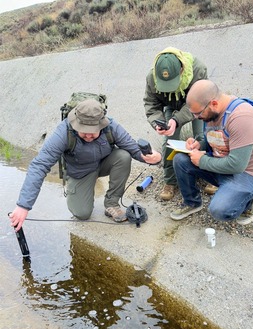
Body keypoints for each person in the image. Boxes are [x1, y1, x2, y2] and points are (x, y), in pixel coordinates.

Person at [9, 99, 162, 231]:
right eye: (84, 132)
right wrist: (24, 206)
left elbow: (133, 148)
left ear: (101, 124)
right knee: (82, 214)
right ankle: (78, 189)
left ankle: (111, 203)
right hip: (80, 172)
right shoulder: (63, 131)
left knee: (123, 156)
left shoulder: (111, 126)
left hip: (103, 163)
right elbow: (39, 165)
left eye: (93, 132)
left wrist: (152, 157)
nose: (89, 135)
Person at [169, 79, 253, 225]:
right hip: (223, 161)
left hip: (249, 173)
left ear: (213, 104)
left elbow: (237, 165)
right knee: (181, 160)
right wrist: (200, 144)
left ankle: (247, 200)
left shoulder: (242, 118)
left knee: (219, 210)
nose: (197, 118)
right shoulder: (212, 112)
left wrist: (202, 161)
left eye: (198, 113)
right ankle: (192, 203)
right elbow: (218, 138)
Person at [143, 47, 215, 201]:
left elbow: (200, 101)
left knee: (202, 137)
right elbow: (151, 104)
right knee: (169, 142)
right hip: (171, 104)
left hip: (197, 104)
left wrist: (177, 120)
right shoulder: (151, 77)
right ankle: (170, 181)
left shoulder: (198, 70)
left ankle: (210, 175)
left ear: (182, 69)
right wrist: (158, 123)